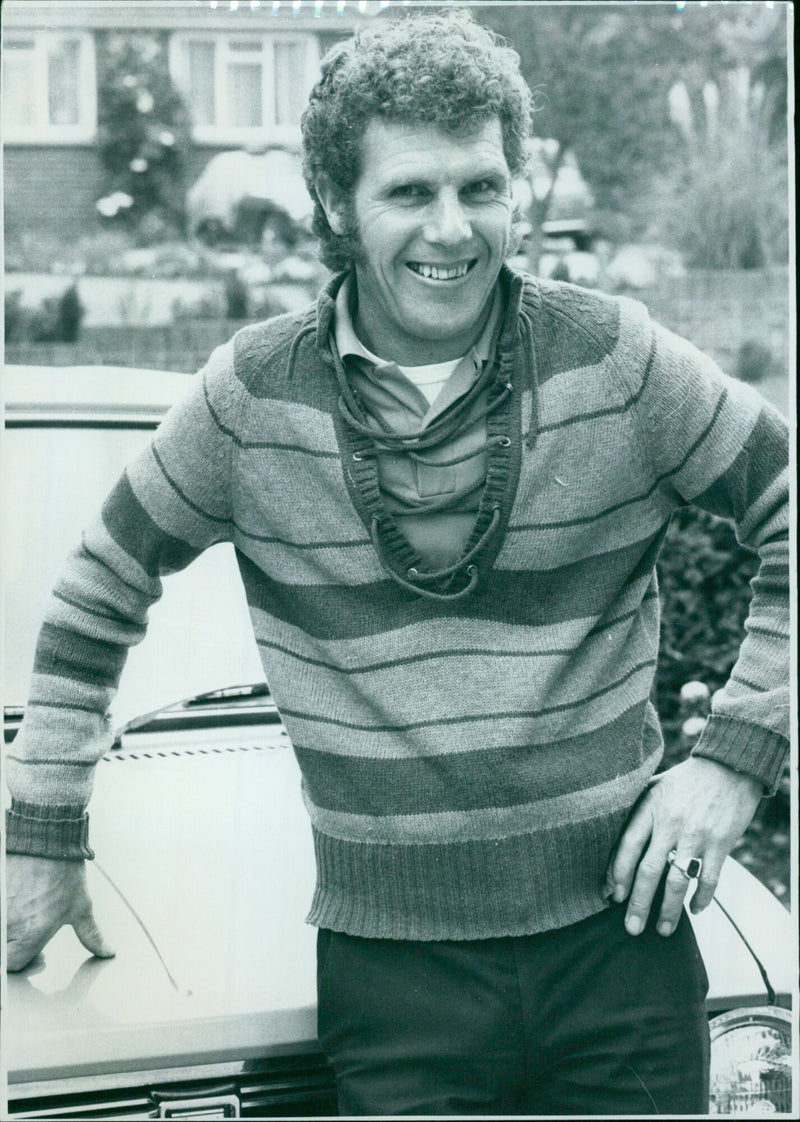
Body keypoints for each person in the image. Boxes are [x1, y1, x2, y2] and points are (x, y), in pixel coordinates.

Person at [5, 9, 789, 1116]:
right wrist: (43, 836)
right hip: (394, 984)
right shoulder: (247, 401)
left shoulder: (614, 362)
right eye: (409, 192)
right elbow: (95, 596)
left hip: (625, 947)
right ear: (336, 204)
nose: (452, 228)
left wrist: (734, 760)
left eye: (479, 187)